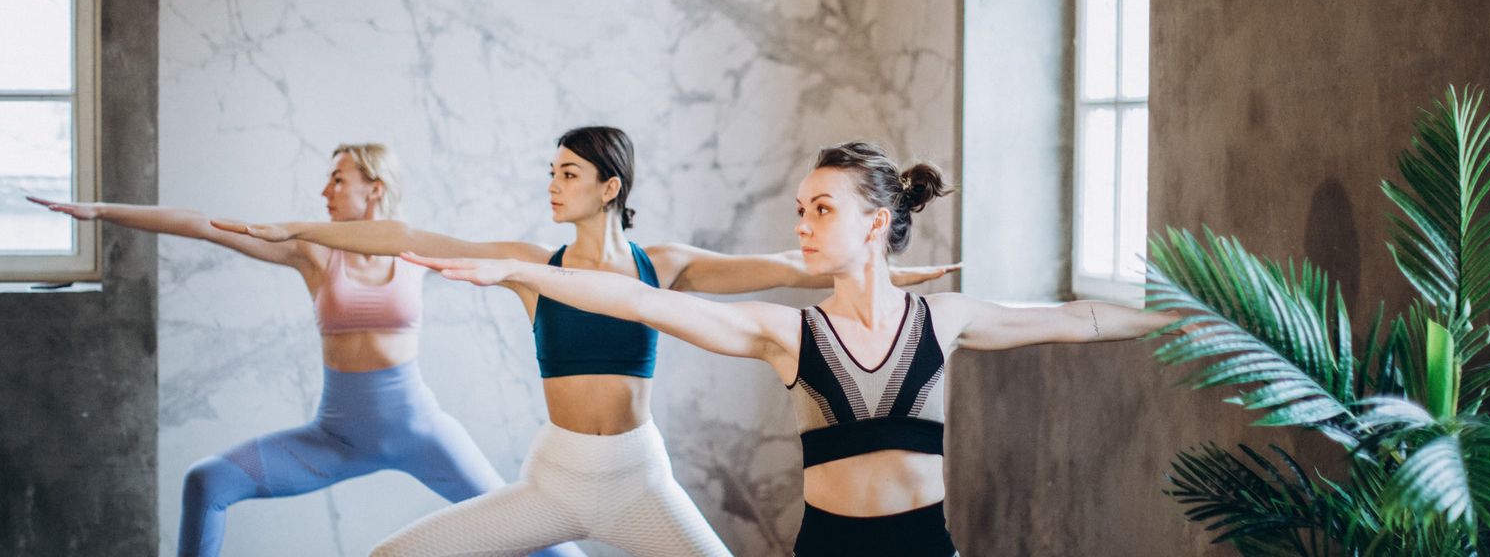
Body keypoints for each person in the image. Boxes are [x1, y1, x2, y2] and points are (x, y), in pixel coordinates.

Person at [395, 141, 1175, 556]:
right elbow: (639, 300)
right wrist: (516, 269)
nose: (801, 224)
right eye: (799, 208)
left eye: (820, 209)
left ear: (874, 223)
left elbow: (1083, 321)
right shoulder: (787, 332)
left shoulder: (944, 319)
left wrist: (1200, 320)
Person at [223, 128, 958, 556]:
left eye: (568, 173)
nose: (553, 183)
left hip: (639, 477)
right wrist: (301, 228)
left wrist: (895, 269)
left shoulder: (660, 265)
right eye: (552, 172)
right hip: (556, 476)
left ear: (609, 186)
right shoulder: (532, 266)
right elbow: (409, 235)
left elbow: (790, 267)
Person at [30, 144, 582, 557]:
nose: (324, 192)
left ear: (375, 187)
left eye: (337, 179)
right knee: (207, 482)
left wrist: (601, 275)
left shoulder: (415, 248)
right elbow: (204, 226)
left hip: (421, 433)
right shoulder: (314, 253)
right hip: (336, 438)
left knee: (533, 529)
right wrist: (103, 211)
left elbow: (510, 256)